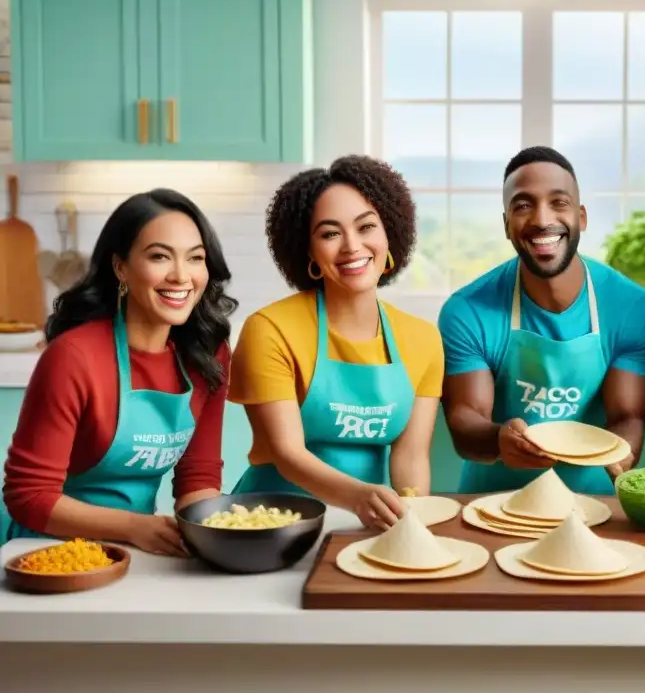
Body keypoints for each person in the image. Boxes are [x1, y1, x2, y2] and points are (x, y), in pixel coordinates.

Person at [2, 189, 236, 553]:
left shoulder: (208, 354)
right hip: (49, 551)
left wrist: (214, 537)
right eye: (160, 256)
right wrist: (132, 527)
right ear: (121, 267)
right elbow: (28, 496)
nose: (181, 275)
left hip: (137, 551)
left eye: (195, 258)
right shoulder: (74, 357)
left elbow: (198, 478)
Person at [227, 155, 442, 530]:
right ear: (308, 251)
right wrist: (359, 499)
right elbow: (287, 454)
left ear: (389, 233)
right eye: (330, 233)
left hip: (369, 523)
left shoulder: (422, 339)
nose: (352, 246)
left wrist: (413, 525)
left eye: (366, 227)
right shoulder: (271, 329)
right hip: (270, 524)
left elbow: (410, 458)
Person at [437, 146, 645, 495]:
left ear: (582, 217)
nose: (543, 219)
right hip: (491, 504)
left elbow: (628, 417)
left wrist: (622, 455)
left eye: (559, 202)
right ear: (506, 225)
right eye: (523, 205)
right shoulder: (467, 310)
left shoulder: (634, 309)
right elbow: (465, 421)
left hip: (593, 505)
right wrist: (500, 440)